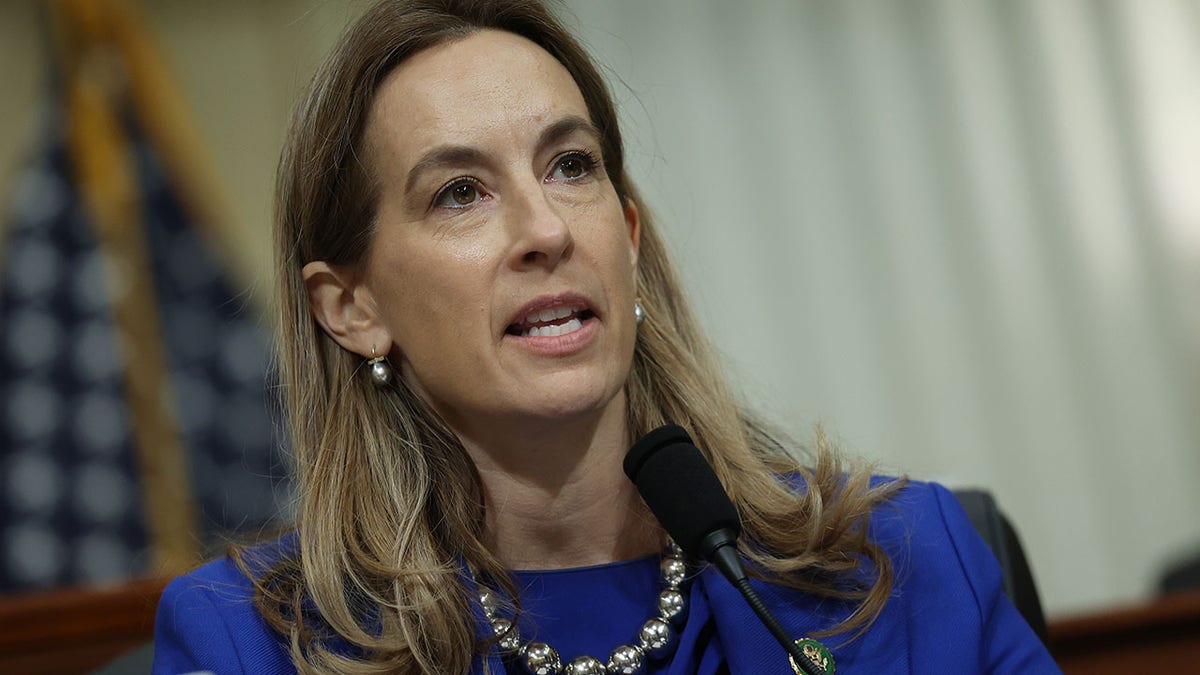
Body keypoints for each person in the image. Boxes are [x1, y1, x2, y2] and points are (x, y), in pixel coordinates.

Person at [152, 1, 1059, 673]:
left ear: (627, 239)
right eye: (461, 192)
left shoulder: (908, 566)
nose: (547, 230)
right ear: (351, 307)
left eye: (570, 165)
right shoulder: (251, 644)